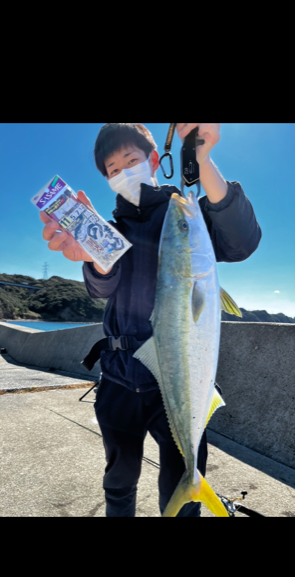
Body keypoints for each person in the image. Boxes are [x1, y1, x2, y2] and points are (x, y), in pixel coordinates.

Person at [40, 123, 262, 517]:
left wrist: (203, 159)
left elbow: (241, 240)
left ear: (154, 160)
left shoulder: (186, 216)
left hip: (176, 383)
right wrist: (93, 257)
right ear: (107, 180)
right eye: (112, 169)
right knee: (119, 479)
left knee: (180, 477)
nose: (123, 172)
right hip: (120, 377)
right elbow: (102, 289)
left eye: (131, 160)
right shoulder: (108, 233)